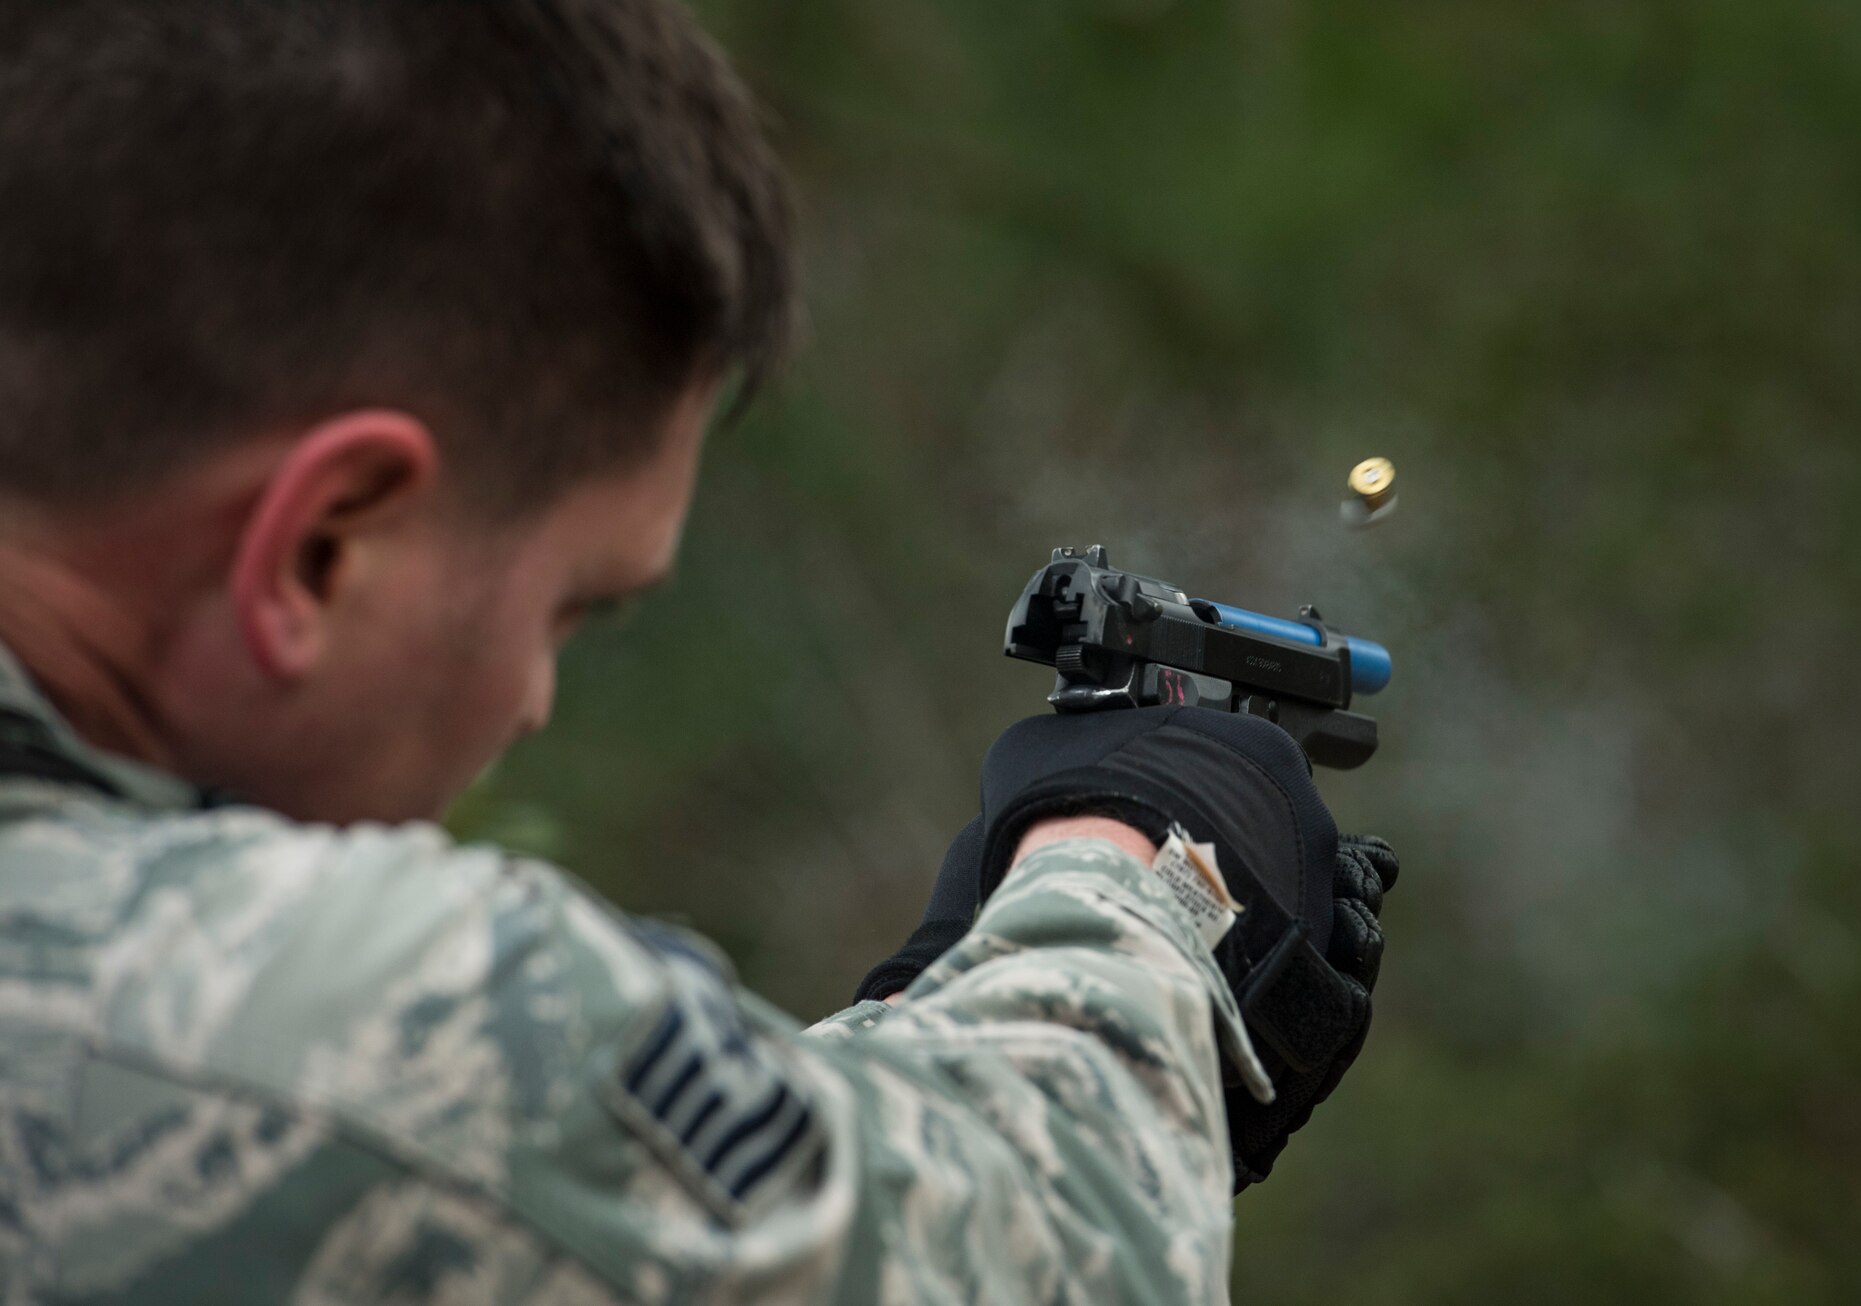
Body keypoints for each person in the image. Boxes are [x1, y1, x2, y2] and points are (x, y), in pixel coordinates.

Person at [0, 1, 1395, 1300]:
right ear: (322, 546)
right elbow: (1036, 1243)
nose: (534, 702)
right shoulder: (304, 1009)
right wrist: (1137, 882)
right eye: (566, 610)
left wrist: (929, 1010)